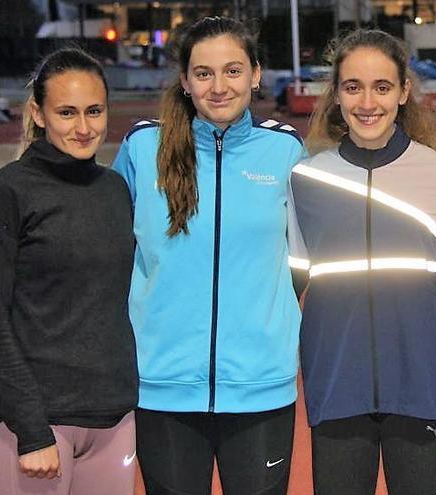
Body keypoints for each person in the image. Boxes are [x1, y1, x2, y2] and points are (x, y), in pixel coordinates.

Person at [111, 16, 304, 495]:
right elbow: (113, 253)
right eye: (204, 73)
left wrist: (269, 325)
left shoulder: (284, 151)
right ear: (185, 80)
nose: (219, 87)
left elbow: (303, 261)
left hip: (260, 385)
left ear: (256, 75)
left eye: (233, 71)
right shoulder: (142, 148)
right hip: (164, 386)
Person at [288, 29, 436, 495]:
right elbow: (288, 285)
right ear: (337, 95)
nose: (367, 102)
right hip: (337, 389)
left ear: (404, 92)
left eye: (382, 87)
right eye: (353, 87)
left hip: (423, 390)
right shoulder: (307, 179)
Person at [0, 48, 138, 495]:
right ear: (38, 114)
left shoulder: (115, 189)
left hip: (113, 421)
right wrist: (31, 429)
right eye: (66, 112)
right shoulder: (5, 192)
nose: (83, 128)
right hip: (36, 427)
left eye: (94, 111)